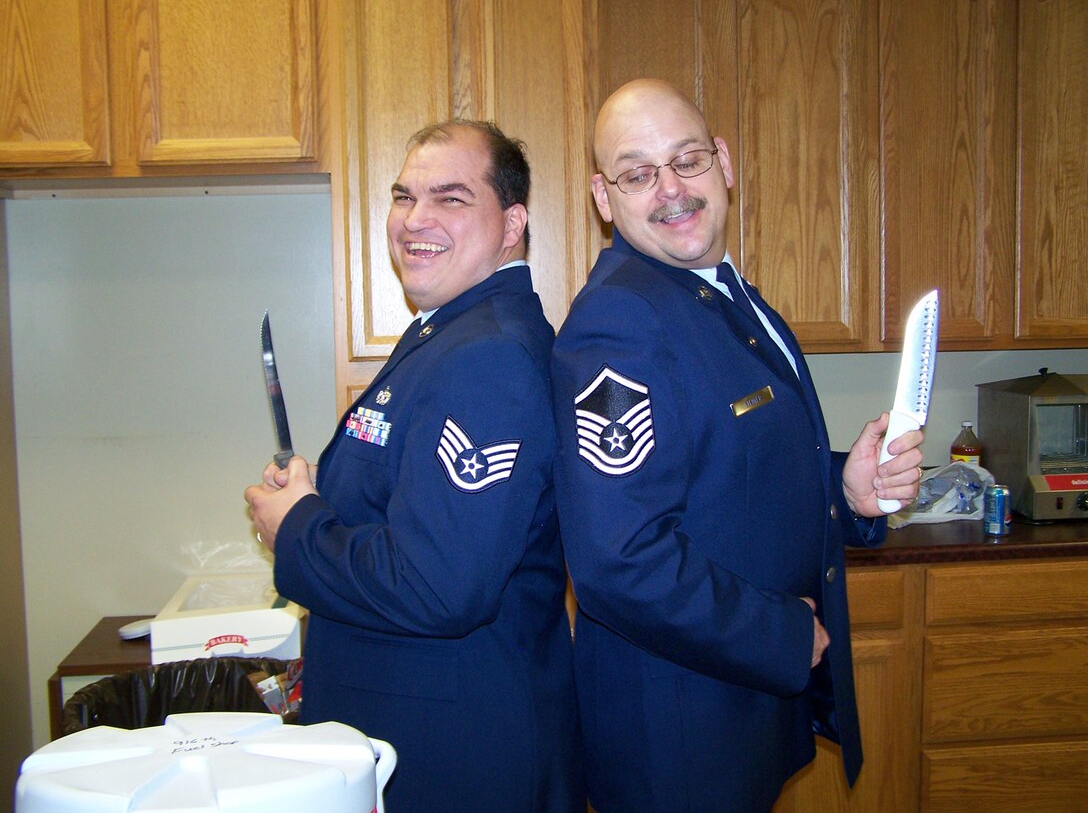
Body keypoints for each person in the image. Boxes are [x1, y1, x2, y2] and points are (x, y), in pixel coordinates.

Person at [550, 78, 926, 812]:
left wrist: (847, 486)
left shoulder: (723, 294)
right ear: (604, 197)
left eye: (687, 159)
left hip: (734, 715)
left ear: (724, 163)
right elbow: (617, 561)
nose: (671, 190)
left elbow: (741, 473)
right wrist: (784, 636)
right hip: (681, 739)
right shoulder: (620, 324)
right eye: (637, 173)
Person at [245, 119, 582, 813]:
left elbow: (437, 585)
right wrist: (314, 497)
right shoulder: (448, 332)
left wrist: (299, 528)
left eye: (451, 199)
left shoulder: (489, 357)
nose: (414, 220)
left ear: (511, 223)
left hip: (457, 759)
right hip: (425, 738)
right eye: (404, 197)